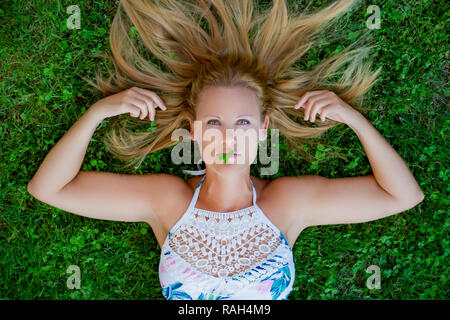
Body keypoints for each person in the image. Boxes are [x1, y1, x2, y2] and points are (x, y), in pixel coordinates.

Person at [27, 0, 424, 300]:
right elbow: (49, 189)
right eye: (214, 123)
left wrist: (352, 118)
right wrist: (100, 112)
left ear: (264, 130)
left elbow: (403, 196)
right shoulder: (166, 200)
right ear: (194, 130)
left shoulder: (288, 202)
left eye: (243, 123)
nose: (229, 138)